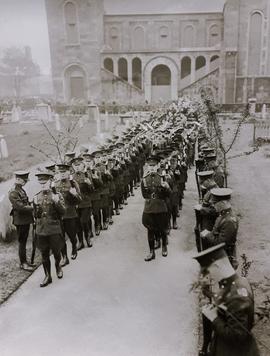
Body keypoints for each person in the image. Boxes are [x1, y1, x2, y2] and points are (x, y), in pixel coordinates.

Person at [193, 243, 260, 356]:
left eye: (208, 272)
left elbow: (238, 336)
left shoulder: (236, 295)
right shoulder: (237, 282)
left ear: (217, 266)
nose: (208, 278)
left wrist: (213, 317)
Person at [33, 171, 66, 287]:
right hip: (41, 230)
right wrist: (37, 208)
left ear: (50, 182)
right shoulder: (36, 197)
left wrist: (57, 202)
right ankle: (47, 276)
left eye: (45, 183)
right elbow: (35, 216)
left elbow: (63, 212)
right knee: (44, 254)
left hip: (54, 229)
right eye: (40, 183)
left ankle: (58, 266)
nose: (42, 185)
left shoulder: (57, 195)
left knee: (56, 252)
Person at [141, 156, 171, 261]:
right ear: (147, 167)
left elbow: (168, 194)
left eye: (154, 165)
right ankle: (151, 252)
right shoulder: (144, 179)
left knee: (162, 229)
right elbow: (144, 195)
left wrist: (166, 188)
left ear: (158, 166)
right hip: (149, 207)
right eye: (150, 166)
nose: (152, 167)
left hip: (161, 206)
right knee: (150, 230)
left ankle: (164, 247)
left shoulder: (163, 177)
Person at [54, 163, 81, 266]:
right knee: (60, 237)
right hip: (60, 216)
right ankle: (65, 257)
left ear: (68, 172)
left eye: (64, 172)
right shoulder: (55, 185)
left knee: (72, 235)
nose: (62, 174)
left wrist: (74, 195)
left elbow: (79, 200)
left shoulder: (73, 183)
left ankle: (74, 247)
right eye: (60, 172)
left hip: (70, 214)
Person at [8, 171, 34, 271]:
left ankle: (25, 262)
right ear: (18, 179)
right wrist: (33, 207)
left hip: (25, 219)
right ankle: (23, 263)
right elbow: (20, 207)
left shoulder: (20, 190)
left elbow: (25, 202)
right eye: (24, 180)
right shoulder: (13, 192)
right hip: (21, 221)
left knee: (24, 241)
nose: (26, 182)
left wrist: (32, 202)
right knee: (22, 242)